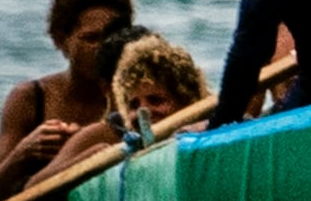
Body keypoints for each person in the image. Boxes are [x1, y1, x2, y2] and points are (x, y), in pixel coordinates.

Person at [0, 0, 136, 201]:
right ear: (60, 40)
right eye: (91, 39)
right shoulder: (30, 98)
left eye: (112, 37)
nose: (104, 48)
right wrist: (24, 153)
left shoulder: (140, 96)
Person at [26, 35, 211, 187]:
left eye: (156, 100)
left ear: (188, 102)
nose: (142, 113)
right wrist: (90, 160)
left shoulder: (211, 126)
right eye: (133, 105)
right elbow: (32, 198)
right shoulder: (113, 138)